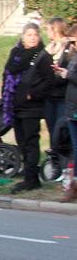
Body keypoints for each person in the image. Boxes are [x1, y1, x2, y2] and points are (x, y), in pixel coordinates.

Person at [1, 23, 52, 194]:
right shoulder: (16, 54)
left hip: (32, 107)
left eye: (35, 34)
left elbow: (48, 81)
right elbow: (7, 73)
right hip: (15, 106)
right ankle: (28, 173)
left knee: (31, 142)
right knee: (21, 142)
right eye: (29, 34)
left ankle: (32, 179)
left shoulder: (43, 56)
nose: (32, 37)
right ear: (23, 36)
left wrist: (33, 94)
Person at [44, 17, 71, 136]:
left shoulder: (69, 47)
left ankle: (62, 154)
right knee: (52, 130)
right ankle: (53, 153)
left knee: (61, 131)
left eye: (49, 29)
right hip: (49, 96)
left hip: (62, 97)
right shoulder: (50, 47)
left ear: (55, 30)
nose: (47, 32)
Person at [61, 25, 77, 202]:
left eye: (73, 41)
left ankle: (74, 186)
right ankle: (73, 184)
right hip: (72, 107)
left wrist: (68, 75)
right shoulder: (73, 56)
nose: (72, 45)